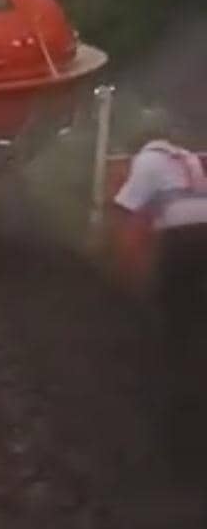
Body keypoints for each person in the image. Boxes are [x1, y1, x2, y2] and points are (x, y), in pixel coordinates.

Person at [113, 111, 207, 474]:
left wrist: (127, 273)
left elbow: (128, 213)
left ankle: (178, 434)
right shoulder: (185, 159)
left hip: (182, 245)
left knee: (175, 329)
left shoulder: (147, 161)